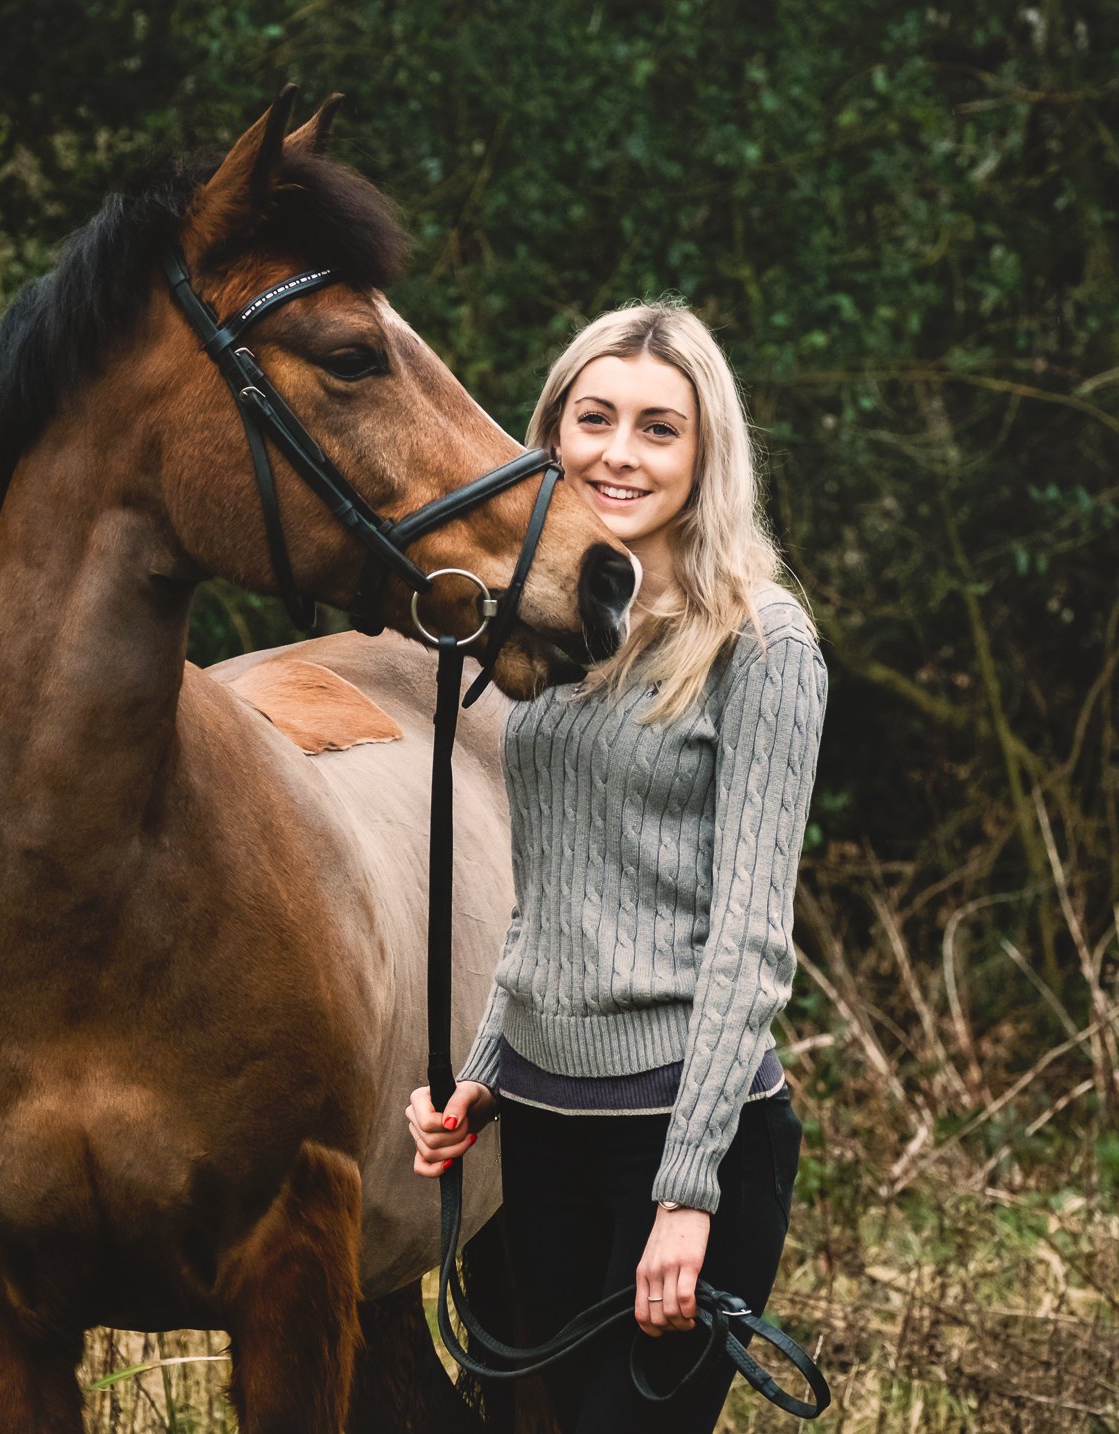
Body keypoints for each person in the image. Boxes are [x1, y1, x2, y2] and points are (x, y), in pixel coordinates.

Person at [404, 298, 829, 1432]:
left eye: (657, 428)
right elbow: (545, 903)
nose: (617, 453)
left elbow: (748, 939)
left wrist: (687, 1194)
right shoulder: (540, 638)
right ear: (548, 435)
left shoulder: (760, 643)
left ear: (704, 455)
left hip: (683, 1135)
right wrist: (482, 1073)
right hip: (537, 1129)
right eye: (593, 419)